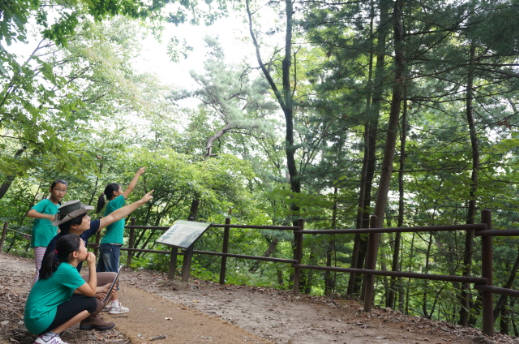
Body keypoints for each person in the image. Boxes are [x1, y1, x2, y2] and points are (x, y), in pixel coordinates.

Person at [44, 191, 153, 326]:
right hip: (57, 293)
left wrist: (140, 202)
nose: (89, 218)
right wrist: (92, 291)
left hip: (72, 282)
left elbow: (114, 216)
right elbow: (55, 284)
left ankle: (88, 319)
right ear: (74, 225)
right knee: (93, 298)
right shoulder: (58, 246)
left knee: (112, 277)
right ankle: (62, 320)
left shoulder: (82, 232)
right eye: (85, 216)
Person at [24, 234, 98, 344]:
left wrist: (100, 290)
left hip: (34, 319)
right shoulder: (67, 270)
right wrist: (92, 264)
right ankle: (49, 337)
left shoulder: (60, 266)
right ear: (75, 254)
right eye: (84, 246)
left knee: (86, 298)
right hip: (39, 320)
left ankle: (49, 334)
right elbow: (91, 292)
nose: (87, 249)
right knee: (91, 303)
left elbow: (76, 291)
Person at [96, 167, 145, 274]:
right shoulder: (114, 203)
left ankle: (97, 290)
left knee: (100, 275)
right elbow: (130, 189)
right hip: (111, 245)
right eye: (120, 190)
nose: (123, 192)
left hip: (108, 244)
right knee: (112, 275)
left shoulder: (112, 205)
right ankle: (111, 290)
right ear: (115, 193)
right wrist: (138, 174)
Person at [27, 179, 68, 283]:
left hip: (52, 242)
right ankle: (34, 296)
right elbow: (31, 213)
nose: (60, 192)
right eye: (57, 189)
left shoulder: (60, 207)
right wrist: (48, 216)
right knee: (40, 269)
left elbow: (57, 226)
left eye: (63, 190)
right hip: (41, 240)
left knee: (49, 268)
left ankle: (43, 295)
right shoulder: (45, 202)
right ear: (51, 189)